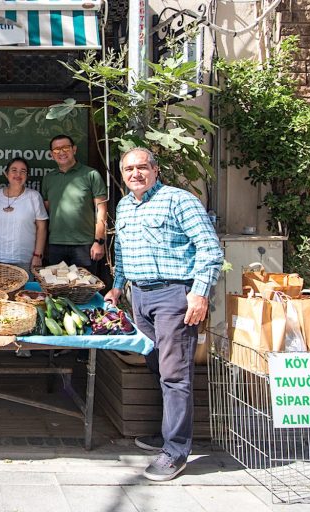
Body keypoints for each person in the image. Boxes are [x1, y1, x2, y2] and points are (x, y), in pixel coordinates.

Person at [104, 147, 223, 482]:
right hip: (140, 296)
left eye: (142, 167)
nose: (135, 174)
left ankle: (175, 452)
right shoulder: (125, 205)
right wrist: (117, 286)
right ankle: (166, 433)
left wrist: (199, 293)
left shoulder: (178, 200)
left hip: (175, 295)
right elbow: (123, 252)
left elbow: (209, 249)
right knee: (156, 364)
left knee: (175, 373)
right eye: (129, 170)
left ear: (155, 170)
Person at [41, 135, 108, 273]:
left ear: (74, 149)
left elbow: (101, 210)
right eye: (56, 149)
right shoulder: (48, 179)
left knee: (84, 291)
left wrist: (99, 242)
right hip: (56, 245)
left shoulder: (91, 175)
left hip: (84, 245)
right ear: (51, 154)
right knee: (57, 289)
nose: (61, 152)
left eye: (66, 147)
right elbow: (47, 212)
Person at [0, 157, 48, 275]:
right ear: (6, 173)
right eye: (14, 170)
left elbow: (42, 227)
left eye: (23, 171)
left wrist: (38, 255)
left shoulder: (34, 197)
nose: (18, 174)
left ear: (27, 175)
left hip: (25, 261)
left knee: (24, 293)